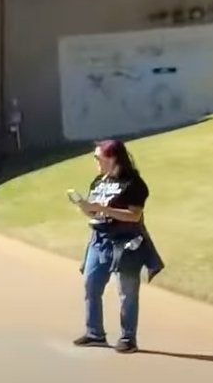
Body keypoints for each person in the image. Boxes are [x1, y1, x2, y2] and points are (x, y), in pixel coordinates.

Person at [73, 138, 164, 354]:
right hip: (99, 240)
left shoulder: (134, 184)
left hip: (127, 244)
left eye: (99, 157)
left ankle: (128, 338)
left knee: (127, 293)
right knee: (91, 285)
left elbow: (134, 215)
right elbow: (94, 210)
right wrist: (86, 207)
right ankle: (95, 333)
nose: (96, 161)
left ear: (112, 158)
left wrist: (103, 209)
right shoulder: (99, 181)